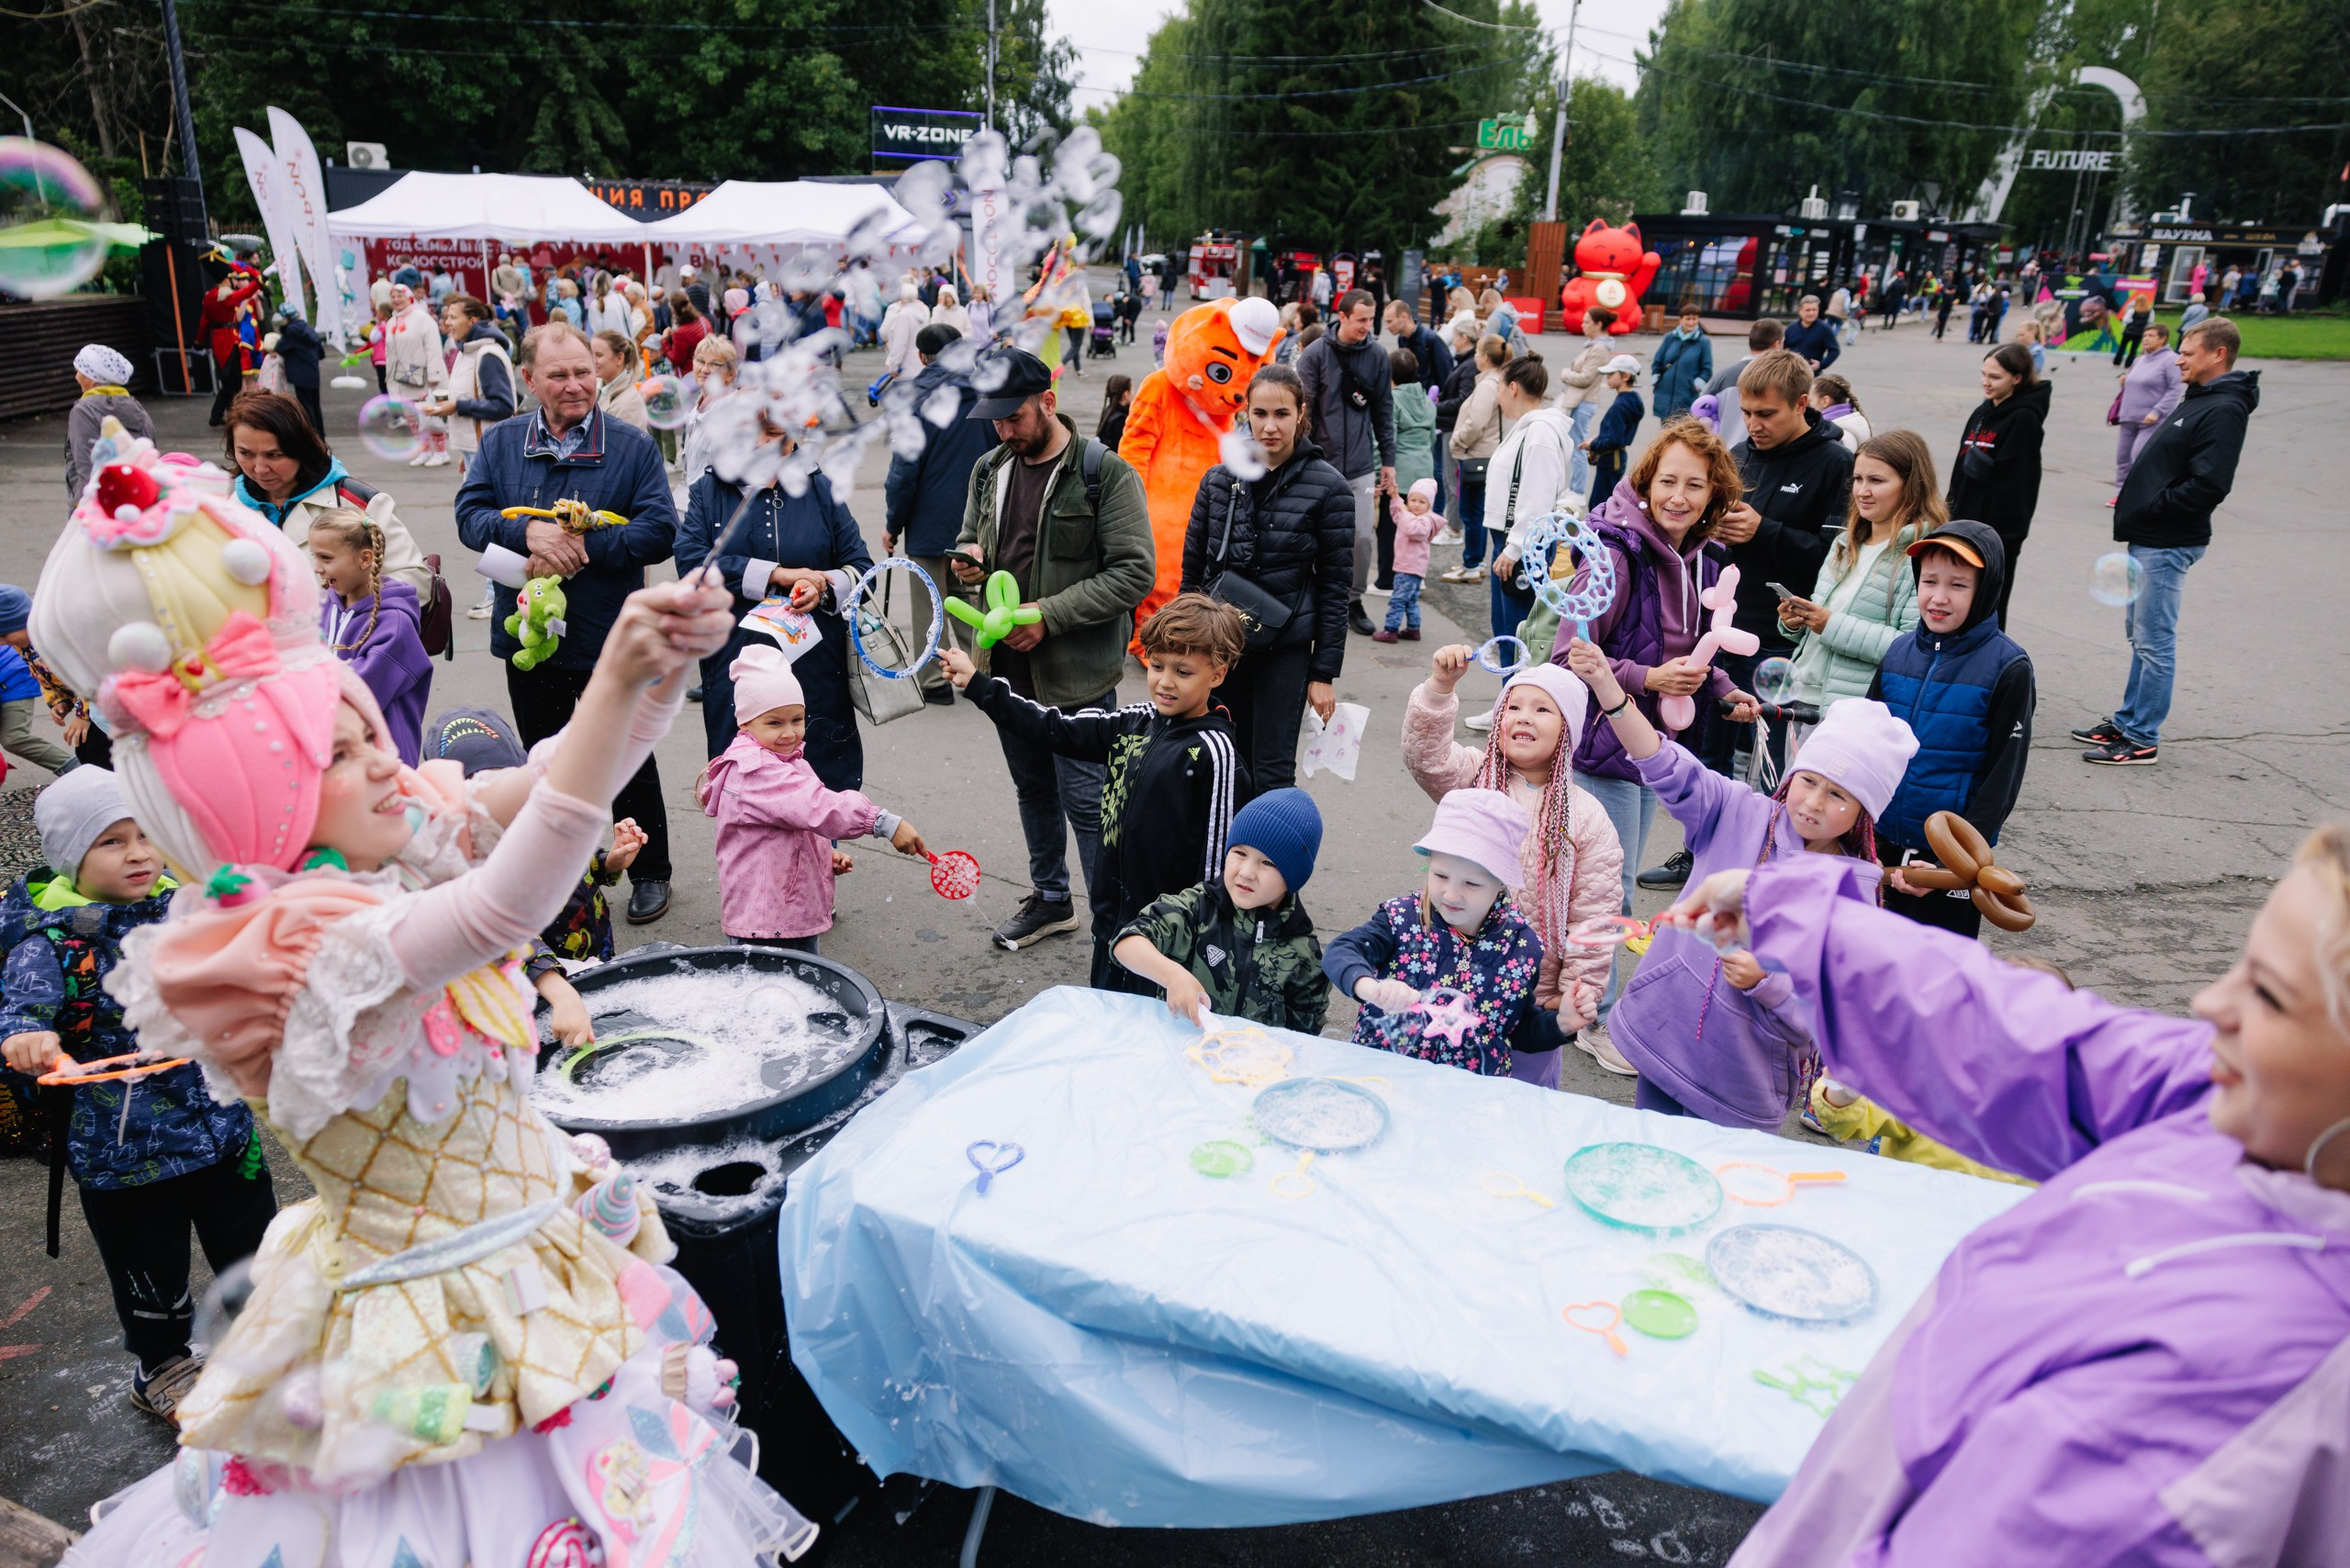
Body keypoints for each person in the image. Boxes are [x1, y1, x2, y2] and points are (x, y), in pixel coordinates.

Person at [30, 437, 822, 1560]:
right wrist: (610, 685)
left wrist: (647, 685)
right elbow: (507, 905)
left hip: (522, 1272)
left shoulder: (383, 853)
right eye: (346, 752)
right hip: (428, 1351)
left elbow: (542, 777)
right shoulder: (307, 945)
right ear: (268, 804)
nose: (388, 764)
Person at [1679, 827, 2350, 1566]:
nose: (2209, 1002)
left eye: (2269, 994)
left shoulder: (2243, 1398)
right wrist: (1811, 927)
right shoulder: (2255, 1118)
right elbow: (2039, 1044)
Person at [0, 768, 272, 1421]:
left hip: (223, 1123)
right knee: (149, 1268)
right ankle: (163, 1365)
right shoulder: (52, 938)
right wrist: (29, 1038)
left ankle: (269, 1344)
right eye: (113, 842)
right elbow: (20, 1012)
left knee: (258, 1249)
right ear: (71, 855)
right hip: (125, 1152)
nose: (140, 853)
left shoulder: (186, 903)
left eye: (148, 834)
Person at [1568, 643, 1917, 1128]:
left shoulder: (1851, 893)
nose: (1814, 802)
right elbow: (1665, 763)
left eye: (1839, 794)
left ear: (1864, 813)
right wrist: (1609, 690)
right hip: (1664, 1039)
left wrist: (1766, 982)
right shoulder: (1739, 811)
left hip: (1743, 1081)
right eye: (1809, 780)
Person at [454, 321, 681, 924]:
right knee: (544, 762)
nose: (576, 384)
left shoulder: (631, 446)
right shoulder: (502, 442)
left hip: (609, 635)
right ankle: (561, 873)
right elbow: (469, 514)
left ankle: (650, 870)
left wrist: (584, 546)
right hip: (529, 637)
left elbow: (660, 530)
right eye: (558, 374)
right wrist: (525, 531)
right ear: (530, 380)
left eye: (584, 371)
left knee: (626, 757)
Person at [951, 348, 1157, 950]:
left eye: (1014, 417)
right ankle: (1051, 898)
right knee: (1033, 789)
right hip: (1007, 670)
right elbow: (973, 539)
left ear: (1048, 402)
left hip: (1077, 675)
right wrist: (969, 563)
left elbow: (1134, 573)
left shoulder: (1104, 472)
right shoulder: (989, 468)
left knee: (1089, 804)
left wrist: (1049, 616)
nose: (1005, 430)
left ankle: (1117, 929)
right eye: (995, 420)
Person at [942, 594, 1247, 990]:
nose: (1165, 682)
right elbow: (1052, 726)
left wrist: (1202, 947)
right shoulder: (1134, 721)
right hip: (1111, 926)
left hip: (1170, 945)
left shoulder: (1216, 753)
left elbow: (1219, 866)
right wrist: (979, 685)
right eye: (1156, 666)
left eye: (1183, 672)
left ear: (1218, 675)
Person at [1556, 422, 1755, 1000]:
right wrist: (1649, 679)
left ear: (1713, 495)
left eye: (1695, 486)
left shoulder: (1701, 559)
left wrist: (1722, 689)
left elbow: (1686, 649)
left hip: (1654, 750)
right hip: (1603, 747)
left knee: (1609, 882)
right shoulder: (1615, 556)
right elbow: (1568, 657)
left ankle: (1584, 996)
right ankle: (1593, 1011)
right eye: (1668, 480)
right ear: (1646, 483)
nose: (1679, 496)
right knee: (1605, 887)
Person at [1667, 349, 1852, 886]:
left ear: (1801, 404)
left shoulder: (1836, 463)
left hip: (1779, 638)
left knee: (1769, 757)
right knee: (1707, 746)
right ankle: (1697, 852)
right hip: (1721, 623)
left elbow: (1836, 557)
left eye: (1766, 414)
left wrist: (1765, 530)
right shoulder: (1740, 453)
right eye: (1746, 412)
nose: (1753, 424)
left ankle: (1768, 861)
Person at [1403, 651, 1623, 1080]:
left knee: (1521, 1098)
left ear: (1567, 731)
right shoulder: (1474, 776)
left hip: (1530, 993)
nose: (1524, 717)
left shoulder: (1586, 816)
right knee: (1437, 1086)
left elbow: (1594, 915)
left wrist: (1577, 989)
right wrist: (1439, 689)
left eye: (1542, 709)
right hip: (1448, 971)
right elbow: (1425, 759)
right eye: (1514, 707)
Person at [2075, 316, 2256, 768]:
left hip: (2167, 540)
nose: (2179, 359)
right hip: (2150, 536)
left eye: (2189, 352)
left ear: (2218, 355)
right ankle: (2129, 719)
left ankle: (2141, 738)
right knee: (2140, 636)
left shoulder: (2224, 407)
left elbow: (2210, 484)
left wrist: (2153, 505)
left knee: (2155, 641)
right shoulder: (2201, 396)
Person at [1177, 364, 1351, 791]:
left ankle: (1268, 857)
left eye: (1281, 414)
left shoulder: (1330, 488)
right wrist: (1182, 645)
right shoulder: (1219, 481)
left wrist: (1323, 674)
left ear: (1300, 413)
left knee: (1271, 771)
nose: (1269, 426)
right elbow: (1194, 570)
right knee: (1218, 763)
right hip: (1219, 644)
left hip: (1285, 649)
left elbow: (1335, 588)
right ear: (1246, 414)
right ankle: (1222, 856)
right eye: (1260, 414)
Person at [698, 644, 928, 956]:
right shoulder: (758, 771)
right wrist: (882, 822)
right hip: (769, 921)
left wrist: (818, 856)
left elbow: (788, 824)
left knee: (794, 991)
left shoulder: (782, 760)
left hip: (777, 911)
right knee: (780, 995)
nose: (790, 732)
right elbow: (818, 806)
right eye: (774, 723)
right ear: (745, 723)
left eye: (797, 719)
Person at [677, 408, 872, 771]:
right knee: (743, 790)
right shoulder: (709, 490)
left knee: (821, 792)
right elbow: (692, 565)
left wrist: (822, 586)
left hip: (814, 668)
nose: (761, 443)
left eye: (772, 431)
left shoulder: (820, 488)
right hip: (735, 663)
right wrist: (778, 574)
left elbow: (862, 568)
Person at [1865, 521, 2034, 937]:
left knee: (1934, 984)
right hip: (1880, 845)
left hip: (1949, 858)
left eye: (1958, 585)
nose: (1938, 598)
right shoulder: (1899, 652)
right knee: (1866, 970)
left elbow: (2002, 778)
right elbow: (1864, 748)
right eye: (1929, 581)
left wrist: (1949, 865)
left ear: (1986, 589)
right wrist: (1856, 836)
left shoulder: (2009, 667)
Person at [1322, 789, 1547, 1078]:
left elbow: (1519, 1026)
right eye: (1440, 875)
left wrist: (1561, 1024)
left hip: (1463, 1094)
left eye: (1471, 883)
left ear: (1501, 885)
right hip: (1383, 1076)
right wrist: (1371, 989)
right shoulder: (1401, 919)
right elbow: (1340, 951)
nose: (1451, 894)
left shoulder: (1520, 946)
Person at [1113, 788, 1328, 1032]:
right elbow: (1127, 942)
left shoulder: (1304, 952)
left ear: (1294, 877)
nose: (1246, 872)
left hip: (1256, 1066)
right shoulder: (1197, 908)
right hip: (1181, 1053)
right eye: (1240, 853)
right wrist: (1171, 975)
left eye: (1267, 863)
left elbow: (1305, 1037)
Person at [1778, 430, 1943, 709]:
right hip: (1800, 695)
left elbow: (1913, 647)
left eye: (1876, 481)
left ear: (1911, 485)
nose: (1862, 491)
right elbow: (1823, 623)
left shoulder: (1922, 555)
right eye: (1858, 479)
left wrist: (1830, 624)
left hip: (1853, 709)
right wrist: (1796, 622)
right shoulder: (1845, 542)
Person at [883, 324, 1001, 707]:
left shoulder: (914, 396)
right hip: (979, 518)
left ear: (922, 356)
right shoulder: (985, 391)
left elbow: (904, 472)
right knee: (971, 596)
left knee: (929, 601)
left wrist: (892, 524)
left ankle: (934, 679)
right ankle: (977, 673)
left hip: (928, 519)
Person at [224, 390, 432, 599]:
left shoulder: (357, 503)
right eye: (246, 453)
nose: (260, 469)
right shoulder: (230, 508)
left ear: (301, 448)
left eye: (274, 455)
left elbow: (416, 582)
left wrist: (348, 603)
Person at [1297, 289, 1396, 636]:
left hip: (1360, 464)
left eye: (1372, 320)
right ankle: (1313, 600)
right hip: (1319, 463)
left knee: (1361, 536)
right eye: (1362, 320)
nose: (1368, 327)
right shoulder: (1314, 355)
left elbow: (1384, 409)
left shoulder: (1378, 356)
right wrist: (1303, 457)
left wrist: (1389, 460)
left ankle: (1352, 599)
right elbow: (1302, 411)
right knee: (1312, 537)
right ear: (1343, 316)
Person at [310, 508, 431, 765]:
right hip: (339, 751)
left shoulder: (395, 624)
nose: (317, 568)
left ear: (365, 559)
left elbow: (361, 692)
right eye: (315, 557)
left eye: (326, 558)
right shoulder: (326, 605)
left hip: (383, 760)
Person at [1946, 342, 2049, 629]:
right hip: (1961, 527)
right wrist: (1946, 516)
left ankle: (1987, 669)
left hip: (1994, 537)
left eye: (1995, 377)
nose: (1986, 383)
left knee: (1986, 608)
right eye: (1984, 374)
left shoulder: (2024, 419)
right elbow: (1960, 471)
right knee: (1954, 605)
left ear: (2017, 378)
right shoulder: (1982, 412)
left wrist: (2000, 539)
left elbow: (2019, 486)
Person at [1487, 358, 1577, 657]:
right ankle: (1510, 701)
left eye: (1499, 387)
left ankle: (1518, 699)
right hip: (1513, 539)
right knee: (1507, 633)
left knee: (1519, 636)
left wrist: (1514, 548)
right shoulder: (1529, 429)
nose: (1497, 395)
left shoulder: (1540, 432)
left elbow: (1536, 495)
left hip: (1521, 543)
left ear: (1513, 388)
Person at [1440, 333, 1508, 588]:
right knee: (1475, 511)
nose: (1475, 357)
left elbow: (1476, 423)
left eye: (1478, 352)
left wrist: (1456, 441)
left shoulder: (1488, 385)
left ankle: (1472, 563)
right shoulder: (1490, 382)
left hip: (1477, 454)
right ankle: (1473, 561)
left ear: (1486, 357)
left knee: (1472, 512)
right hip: (1481, 452)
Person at [423, 294, 517, 479]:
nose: (447, 322)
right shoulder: (467, 351)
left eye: (453, 317)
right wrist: (466, 452)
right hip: (477, 449)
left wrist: (458, 406)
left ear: (472, 321)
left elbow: (504, 407)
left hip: (488, 451)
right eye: (447, 317)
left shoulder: (487, 355)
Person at [62, 344, 153, 499]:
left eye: (79, 371)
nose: (76, 376)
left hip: (97, 503)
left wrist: (83, 508)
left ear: (92, 380)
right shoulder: (135, 407)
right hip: (137, 496)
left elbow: (85, 466)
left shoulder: (83, 411)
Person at [2109, 319, 2181, 497]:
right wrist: (2124, 382)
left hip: (2151, 419)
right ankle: (2121, 494)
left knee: (2139, 457)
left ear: (2162, 339)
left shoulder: (2170, 360)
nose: (2146, 339)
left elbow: (2175, 389)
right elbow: (2135, 384)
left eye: (2151, 335)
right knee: (2123, 459)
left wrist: (2157, 411)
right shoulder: (2140, 360)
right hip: (2129, 416)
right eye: (2144, 335)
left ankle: (2141, 495)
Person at [1385, 346, 1437, 592]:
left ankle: (1389, 578)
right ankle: (1418, 575)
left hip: (1401, 473)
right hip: (1424, 471)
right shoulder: (1427, 400)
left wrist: (1380, 471)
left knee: (1394, 528)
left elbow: (1388, 440)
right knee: (1420, 525)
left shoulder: (1392, 400)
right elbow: (1432, 438)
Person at [384, 282, 450, 467]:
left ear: (409, 297)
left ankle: (441, 451)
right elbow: (390, 353)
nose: (396, 300)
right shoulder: (391, 322)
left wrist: (434, 375)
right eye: (394, 297)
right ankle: (423, 451)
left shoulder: (423, 319)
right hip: (401, 378)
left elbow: (433, 348)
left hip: (423, 378)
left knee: (430, 415)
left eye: (400, 296)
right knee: (412, 416)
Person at [1375, 477, 1441, 643]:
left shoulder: (1424, 520)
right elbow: (1397, 515)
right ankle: (1413, 629)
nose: (1416, 505)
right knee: (1410, 600)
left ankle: (1390, 630)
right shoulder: (1409, 516)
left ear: (1429, 505)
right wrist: (1396, 497)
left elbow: (1413, 530)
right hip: (1407, 567)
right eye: (1412, 500)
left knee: (1397, 600)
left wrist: (1404, 511)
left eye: (1422, 502)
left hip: (1410, 568)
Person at [1701, 318, 1783, 451]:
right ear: (1777, 344)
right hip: (1764, 456)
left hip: (1724, 456)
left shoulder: (1722, 377)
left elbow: (1701, 414)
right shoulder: (1782, 379)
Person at [199, 262, 264, 427]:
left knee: (230, 380)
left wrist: (199, 340)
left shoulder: (209, 296)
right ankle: (221, 415)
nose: (234, 282)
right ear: (225, 280)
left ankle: (228, 413)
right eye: (231, 279)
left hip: (218, 339)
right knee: (233, 382)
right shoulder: (225, 296)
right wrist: (259, 281)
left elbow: (204, 321)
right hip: (229, 339)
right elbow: (245, 293)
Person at [1580, 354, 1646, 503]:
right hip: (1617, 457)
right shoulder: (1633, 400)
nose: (1607, 377)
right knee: (1610, 500)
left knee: (1600, 503)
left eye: (1611, 374)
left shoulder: (1620, 405)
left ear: (1626, 376)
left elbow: (1614, 439)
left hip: (1610, 459)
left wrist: (1593, 444)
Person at [271, 303, 326, 438]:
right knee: (315, 406)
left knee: (306, 407)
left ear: (285, 318)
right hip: (313, 373)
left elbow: (280, 348)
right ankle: (321, 435)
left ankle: (312, 437)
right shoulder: (308, 328)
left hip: (300, 375)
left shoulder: (291, 332)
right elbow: (321, 353)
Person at [1650, 305, 1713, 421]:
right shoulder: (1670, 337)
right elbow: (1657, 361)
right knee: (1665, 433)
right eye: (1688, 319)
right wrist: (1656, 376)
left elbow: (1707, 370)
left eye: (1694, 319)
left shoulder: (1703, 342)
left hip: (1686, 396)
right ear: (1681, 319)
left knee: (1682, 433)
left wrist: (1695, 385)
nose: (1691, 322)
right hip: (1664, 394)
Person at [591, 328, 651, 430]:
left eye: (599, 355)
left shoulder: (630, 404)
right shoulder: (596, 387)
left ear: (619, 358)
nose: (593, 360)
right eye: (591, 354)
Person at [881, 281, 930, 382]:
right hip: (921, 362)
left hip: (905, 365)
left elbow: (900, 342)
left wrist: (894, 365)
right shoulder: (924, 310)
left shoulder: (903, 315)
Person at [1807, 374, 1870, 451]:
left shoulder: (1831, 434)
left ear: (1825, 401)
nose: (1807, 406)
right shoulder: (1853, 419)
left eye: (1810, 401)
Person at [1781, 294, 1840, 372]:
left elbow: (1835, 350)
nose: (1811, 313)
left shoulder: (1824, 328)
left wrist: (1821, 365)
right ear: (1800, 311)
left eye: (1814, 310)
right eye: (1808, 310)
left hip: (1812, 373)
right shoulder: (1791, 328)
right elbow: (1783, 350)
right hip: (1791, 372)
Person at [1097, 371, 1134, 450]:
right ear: (1126, 394)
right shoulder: (1120, 420)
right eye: (1132, 391)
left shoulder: (1109, 411)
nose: (1133, 394)